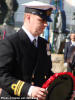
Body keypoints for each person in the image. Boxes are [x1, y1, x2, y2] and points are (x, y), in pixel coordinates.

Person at [0, 1, 55, 100]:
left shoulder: (44, 44)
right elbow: (2, 76)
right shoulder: (10, 43)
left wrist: (65, 88)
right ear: (28, 18)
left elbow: (46, 73)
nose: (46, 24)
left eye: (47, 21)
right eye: (41, 20)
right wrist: (28, 89)